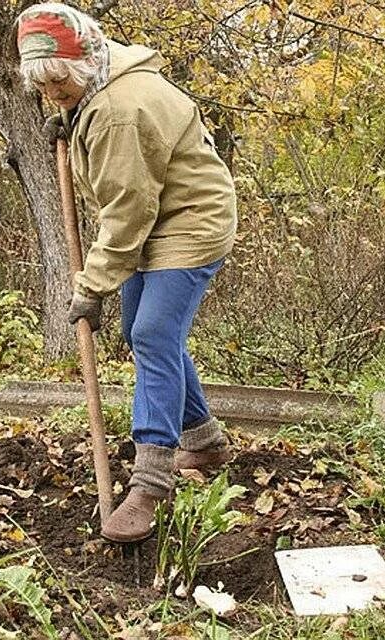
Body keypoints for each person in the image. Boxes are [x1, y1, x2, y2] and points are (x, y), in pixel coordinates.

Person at [16, 3, 238, 543]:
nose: (53, 95)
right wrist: (71, 116)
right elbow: (129, 196)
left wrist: (90, 286)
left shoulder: (118, 109)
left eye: (61, 86)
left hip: (187, 223)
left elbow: (126, 211)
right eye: (44, 88)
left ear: (85, 63)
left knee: (152, 334)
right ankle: (204, 439)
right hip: (156, 218)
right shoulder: (100, 81)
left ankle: (150, 482)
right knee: (143, 337)